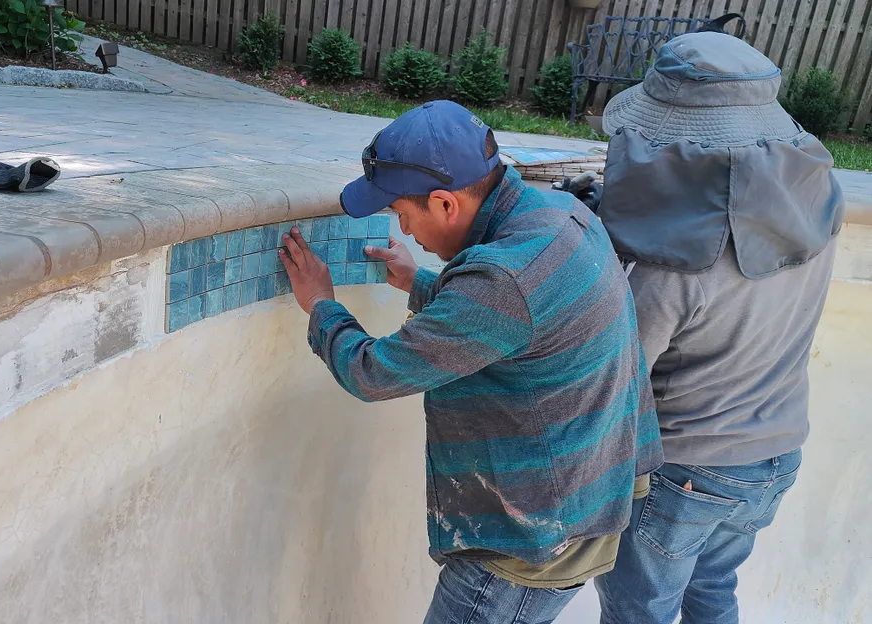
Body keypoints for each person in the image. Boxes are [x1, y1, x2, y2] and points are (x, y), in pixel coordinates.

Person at [277, 99, 663, 623]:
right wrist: (418, 282)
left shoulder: (502, 279)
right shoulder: (561, 213)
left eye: (401, 213)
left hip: (529, 542)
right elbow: (519, 320)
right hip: (586, 498)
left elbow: (373, 372)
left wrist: (321, 305)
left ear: (444, 204)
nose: (404, 229)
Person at [578, 32, 845, 624]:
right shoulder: (817, 206)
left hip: (686, 469)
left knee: (637, 614)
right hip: (774, 456)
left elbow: (616, 374)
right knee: (713, 592)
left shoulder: (676, 265)